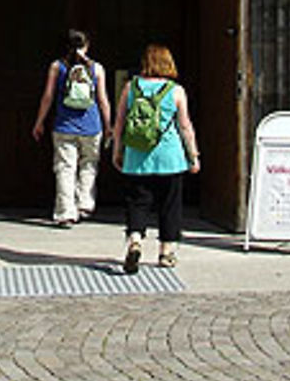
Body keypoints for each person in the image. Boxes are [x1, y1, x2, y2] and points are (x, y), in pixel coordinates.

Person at [112, 43, 201, 272]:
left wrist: (117, 151)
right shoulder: (176, 90)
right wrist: (193, 156)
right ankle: (167, 252)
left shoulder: (131, 87)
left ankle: (135, 241)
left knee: (137, 202)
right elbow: (185, 126)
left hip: (136, 156)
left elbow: (119, 122)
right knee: (170, 205)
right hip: (169, 157)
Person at [32, 29, 112, 227]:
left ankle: (66, 212)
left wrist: (39, 121)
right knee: (89, 164)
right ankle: (85, 203)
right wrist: (108, 125)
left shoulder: (57, 67)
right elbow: (102, 100)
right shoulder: (96, 68)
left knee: (65, 168)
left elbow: (48, 97)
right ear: (88, 45)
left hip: (64, 126)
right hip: (92, 126)